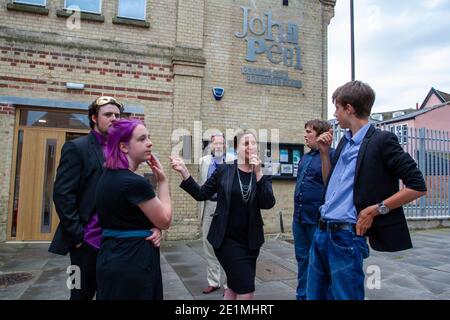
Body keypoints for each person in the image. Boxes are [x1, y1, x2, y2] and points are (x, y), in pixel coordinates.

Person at [307, 80, 427, 300]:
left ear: (349, 107)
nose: (334, 114)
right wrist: (324, 154)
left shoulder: (382, 141)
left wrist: (375, 210)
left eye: (337, 108)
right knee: (313, 295)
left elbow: (417, 186)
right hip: (322, 231)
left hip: (345, 238)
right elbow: (330, 186)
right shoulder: (344, 142)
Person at [171, 129, 276, 300]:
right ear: (237, 148)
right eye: (246, 143)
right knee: (246, 292)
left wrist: (258, 173)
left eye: (254, 143)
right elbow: (201, 194)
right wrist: (184, 172)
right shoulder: (224, 171)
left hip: (251, 242)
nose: (251, 147)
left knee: (233, 288)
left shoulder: (263, 173)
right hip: (226, 240)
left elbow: (268, 203)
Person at [49, 96, 124, 300]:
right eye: (108, 114)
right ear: (93, 118)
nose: (114, 119)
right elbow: (62, 194)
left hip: (114, 240)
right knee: (79, 294)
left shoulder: (120, 150)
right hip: (84, 243)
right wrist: (78, 237)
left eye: (117, 115)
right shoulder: (77, 147)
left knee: (110, 293)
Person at [95, 119, 172, 300]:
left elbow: (126, 217)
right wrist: (162, 181)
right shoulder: (134, 183)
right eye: (142, 139)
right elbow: (165, 219)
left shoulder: (108, 175)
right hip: (133, 262)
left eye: (149, 138)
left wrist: (151, 228)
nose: (149, 143)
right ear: (124, 147)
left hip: (110, 256)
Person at [292, 119, 334, 300]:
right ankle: (302, 296)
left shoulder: (331, 155)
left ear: (321, 134)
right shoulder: (305, 157)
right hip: (299, 219)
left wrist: (324, 153)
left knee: (321, 264)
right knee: (303, 260)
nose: (305, 135)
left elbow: (331, 184)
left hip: (317, 220)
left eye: (309, 131)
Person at [198, 133, 233, 294]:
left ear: (225, 145)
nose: (218, 146)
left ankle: (228, 285)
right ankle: (213, 281)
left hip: (226, 207)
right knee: (208, 244)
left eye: (221, 143)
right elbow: (201, 185)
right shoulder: (203, 161)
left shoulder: (232, 161)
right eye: (215, 143)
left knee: (226, 245)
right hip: (209, 205)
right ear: (211, 146)